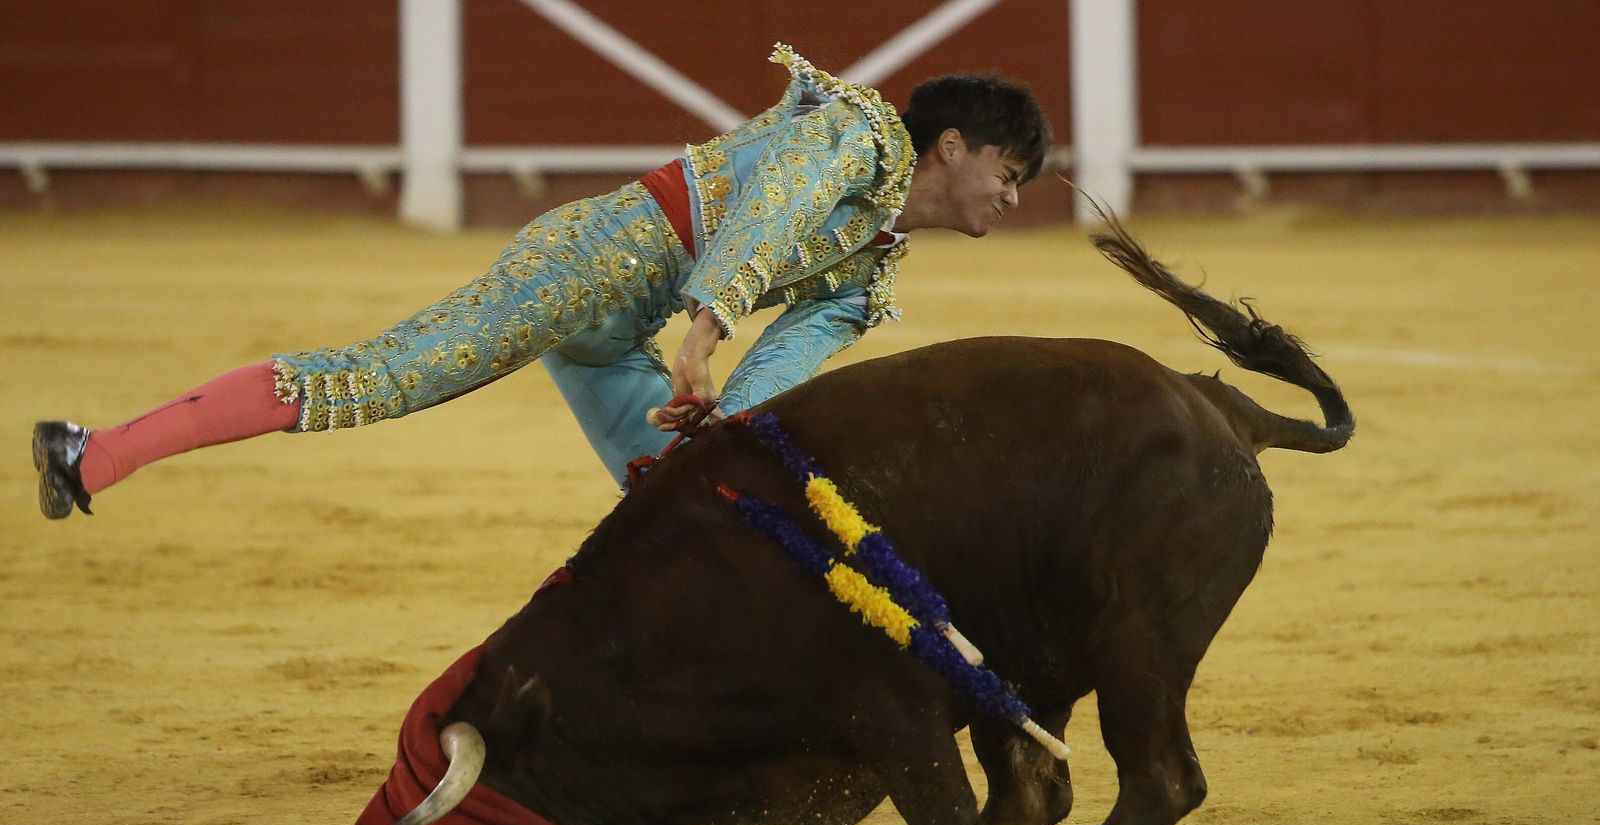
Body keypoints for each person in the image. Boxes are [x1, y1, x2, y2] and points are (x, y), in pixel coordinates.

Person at [32, 43, 1050, 518]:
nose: (1009, 199)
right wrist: (709, 319)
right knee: (381, 375)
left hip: (622, 326)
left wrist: (730, 422)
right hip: (584, 260)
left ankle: (682, 783)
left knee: (701, 506)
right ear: (950, 145)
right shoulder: (855, 133)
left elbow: (788, 360)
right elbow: (773, 200)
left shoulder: (870, 268)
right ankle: (95, 449)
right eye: (1006, 175)